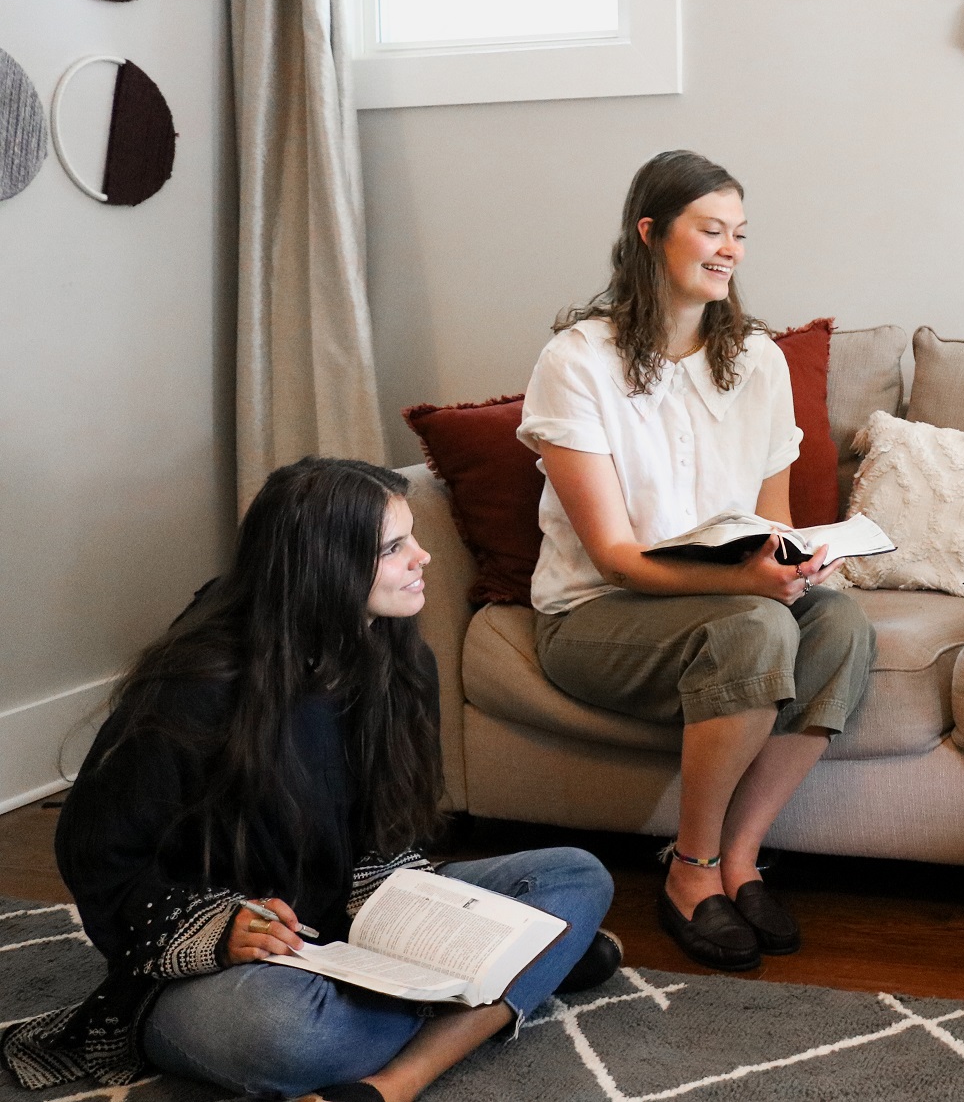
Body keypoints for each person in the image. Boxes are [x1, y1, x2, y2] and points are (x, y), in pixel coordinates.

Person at [0, 458, 617, 1102]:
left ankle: (396, 1081)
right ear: (323, 566)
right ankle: (516, 979)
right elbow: (97, 853)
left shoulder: (400, 658)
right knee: (293, 1038)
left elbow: (389, 836)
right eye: (395, 546)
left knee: (576, 875)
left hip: (356, 917)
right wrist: (224, 926)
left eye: (412, 538)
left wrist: (390, 915)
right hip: (227, 965)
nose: (423, 557)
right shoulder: (196, 690)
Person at [520, 149, 875, 973]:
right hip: (596, 614)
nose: (731, 250)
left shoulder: (759, 360)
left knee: (842, 624)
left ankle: (741, 858)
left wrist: (792, 565)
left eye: (740, 234)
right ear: (651, 234)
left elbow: (770, 523)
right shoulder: (578, 362)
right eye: (711, 230)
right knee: (753, 625)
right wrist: (751, 586)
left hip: (723, 596)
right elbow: (613, 557)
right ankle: (689, 870)